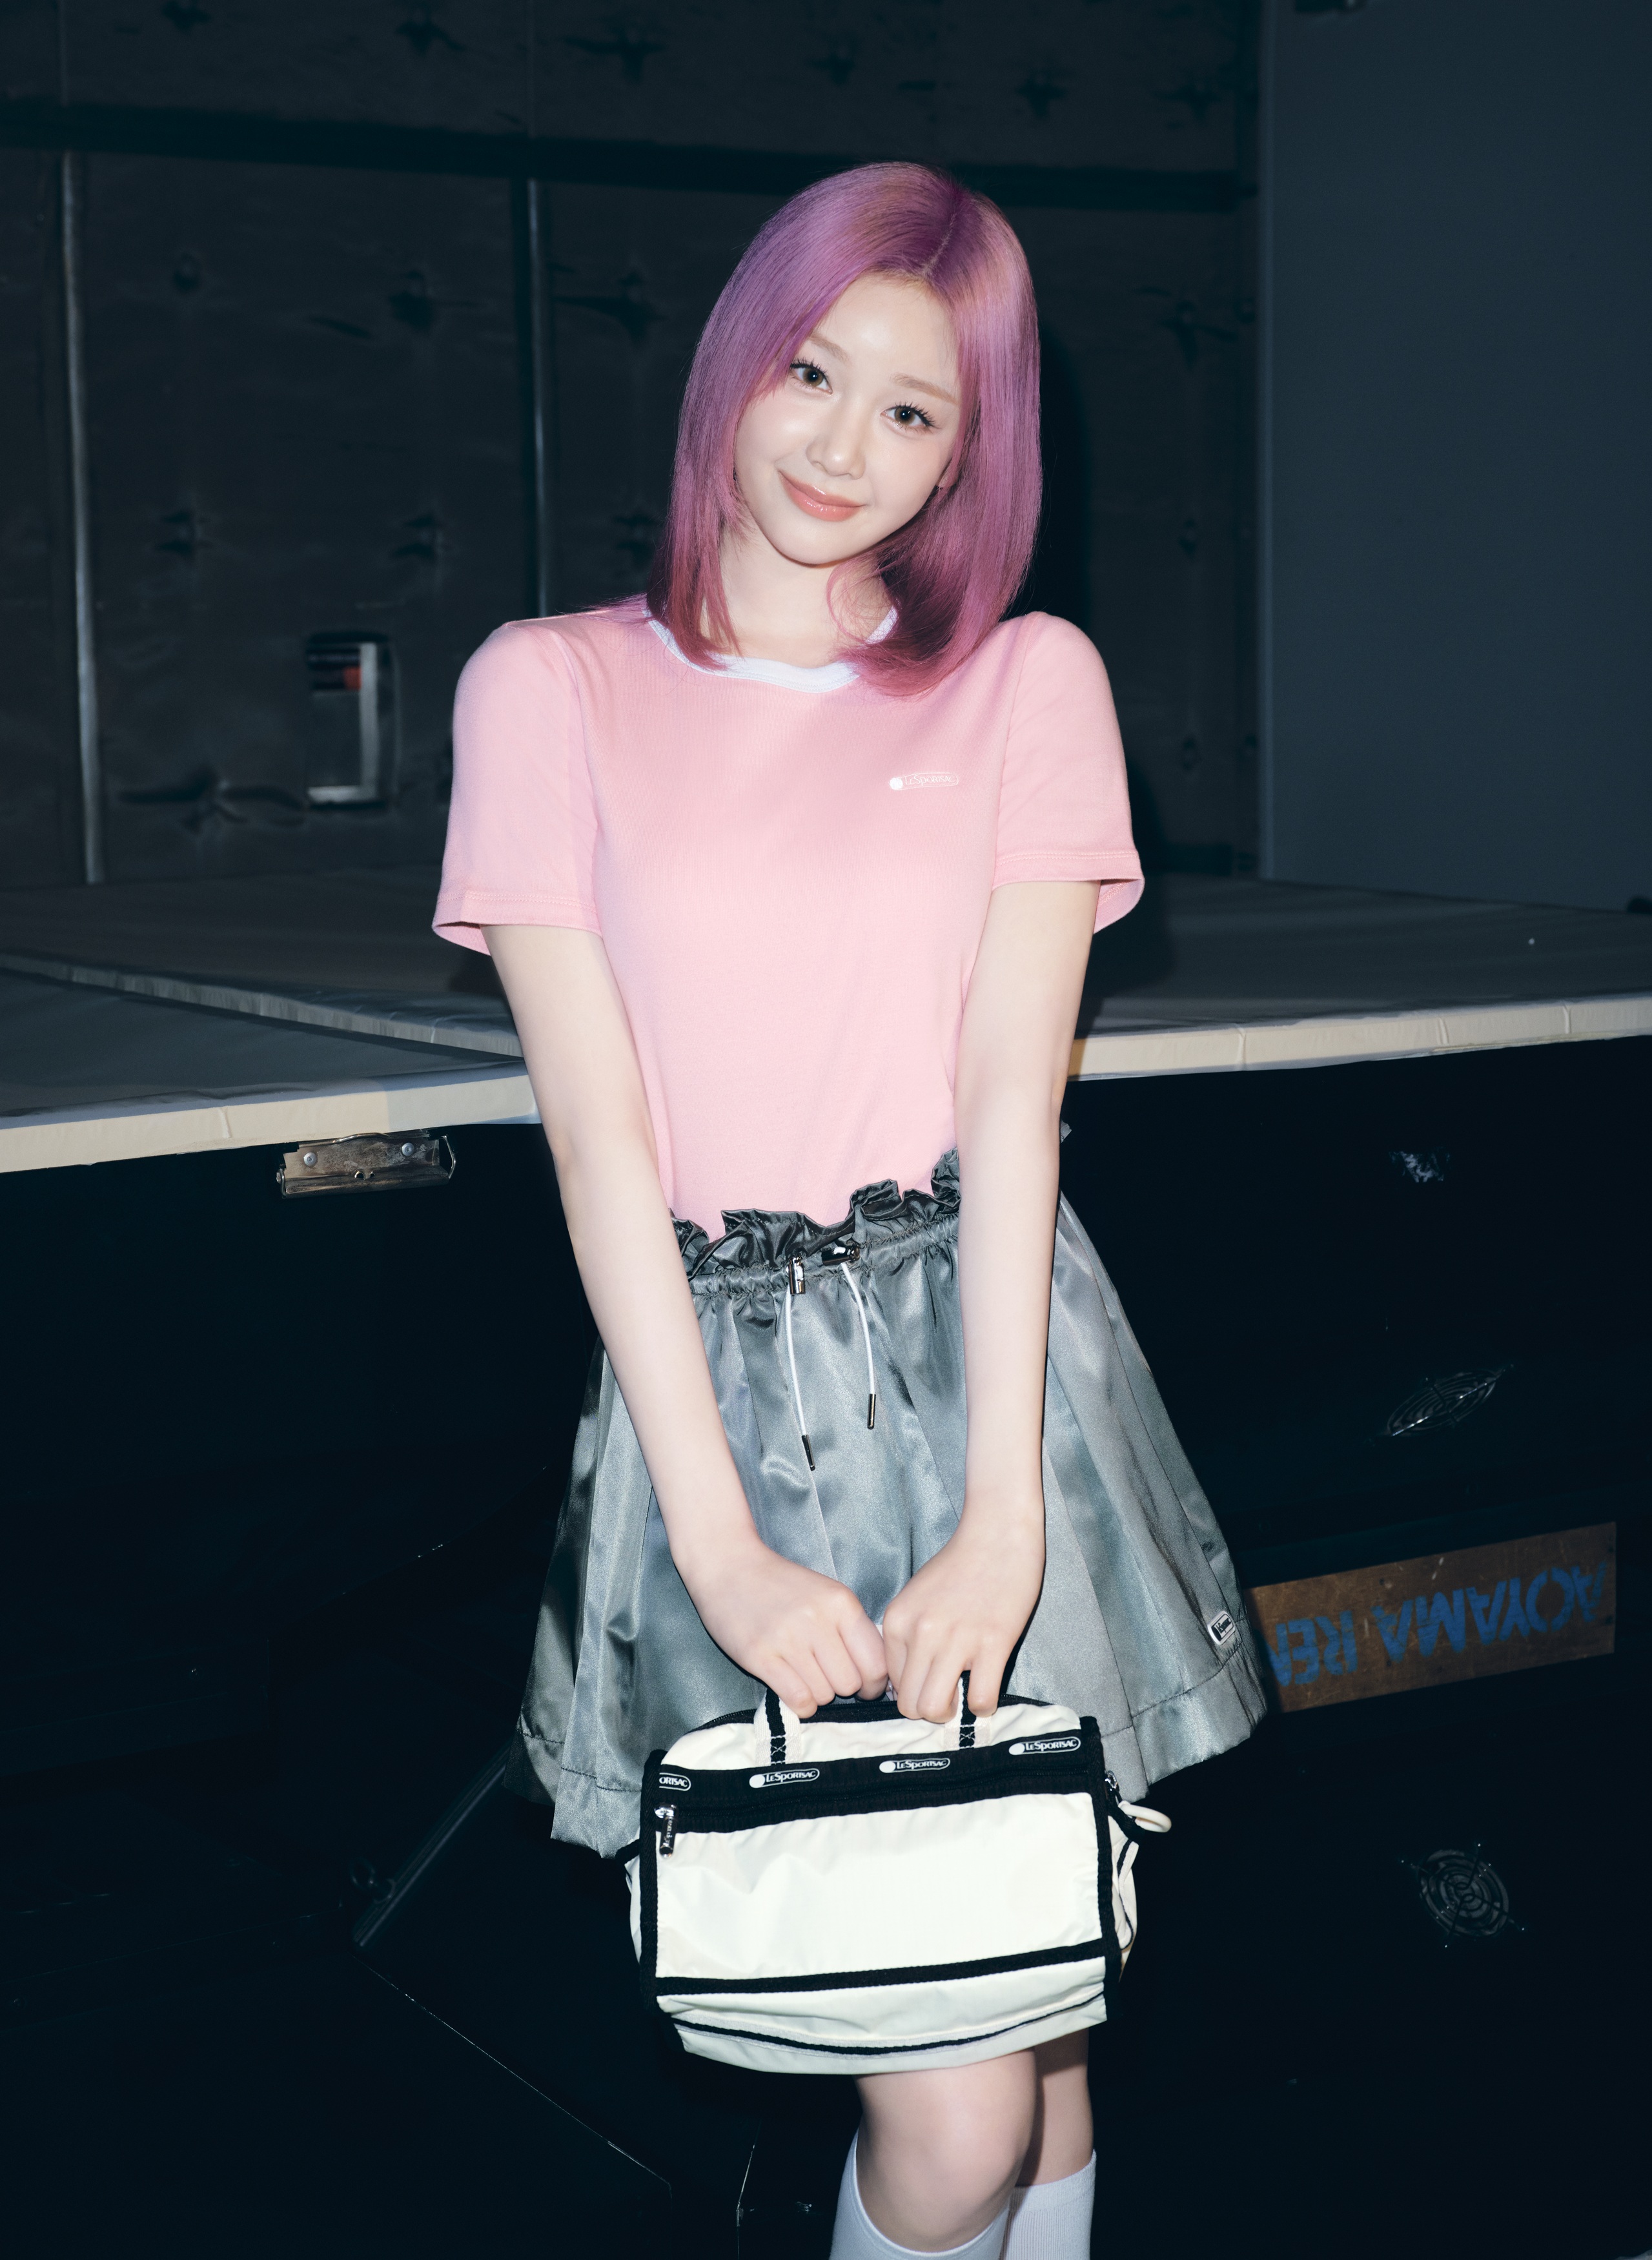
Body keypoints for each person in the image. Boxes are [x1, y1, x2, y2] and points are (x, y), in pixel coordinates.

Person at [434, 162, 1262, 2260]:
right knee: (957, 2092)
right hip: (720, 1395)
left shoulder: (1026, 681)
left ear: (972, 451)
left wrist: (1003, 1521)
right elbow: (601, 1142)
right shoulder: (547, 685)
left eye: (914, 411)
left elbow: (1009, 1105)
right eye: (812, 372)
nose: (843, 445)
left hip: (995, 1366)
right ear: (736, 358)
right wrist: (717, 1537)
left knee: (1037, 2010)